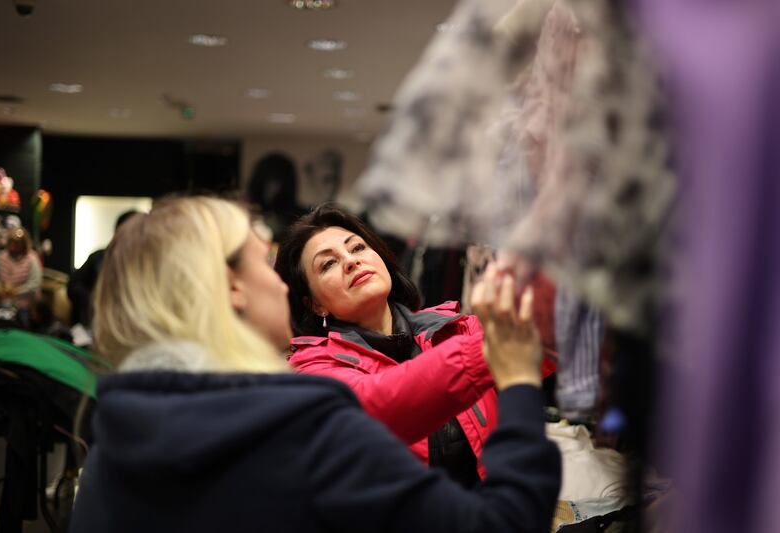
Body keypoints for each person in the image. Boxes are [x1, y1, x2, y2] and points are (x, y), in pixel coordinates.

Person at [69, 195, 560, 533]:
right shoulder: (295, 415)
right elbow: (505, 521)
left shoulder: (117, 437)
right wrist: (507, 364)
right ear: (233, 287)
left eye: (357, 248)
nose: (279, 285)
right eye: (265, 262)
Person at [274, 204, 496, 487]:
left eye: (357, 248)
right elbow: (381, 402)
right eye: (328, 263)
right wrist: (495, 346)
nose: (351, 261)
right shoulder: (313, 372)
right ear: (315, 303)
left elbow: (548, 344)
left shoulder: (457, 330)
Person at [67, 209, 141, 326]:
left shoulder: (143, 262)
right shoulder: (99, 257)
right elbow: (73, 285)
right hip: (96, 325)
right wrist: (94, 300)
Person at [0, 227, 42, 311]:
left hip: (26, 307)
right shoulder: (2, 257)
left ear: (24, 244)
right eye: (11, 242)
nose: (13, 246)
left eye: (16, 243)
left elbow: (34, 284)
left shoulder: (32, 258)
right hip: (3, 304)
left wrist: (15, 292)